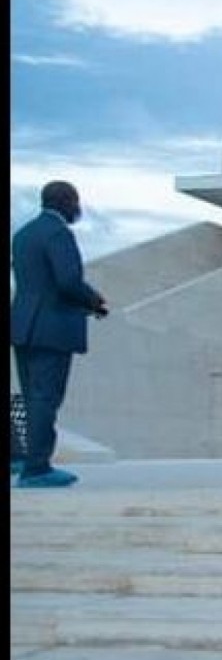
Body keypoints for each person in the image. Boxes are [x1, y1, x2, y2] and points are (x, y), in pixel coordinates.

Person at [10, 181, 108, 488]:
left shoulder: (23, 234)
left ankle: (27, 460)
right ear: (67, 201)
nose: (78, 208)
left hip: (24, 326)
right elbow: (67, 281)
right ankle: (37, 468)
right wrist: (94, 301)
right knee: (46, 398)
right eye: (75, 201)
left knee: (32, 396)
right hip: (51, 328)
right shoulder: (58, 233)